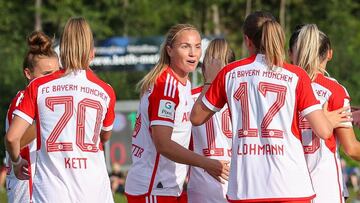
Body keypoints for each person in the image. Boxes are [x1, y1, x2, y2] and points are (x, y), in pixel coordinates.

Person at [191, 11, 351, 203]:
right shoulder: (296, 75)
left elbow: (196, 117)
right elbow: (324, 131)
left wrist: (210, 80)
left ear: (247, 40)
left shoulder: (229, 73)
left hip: (246, 186)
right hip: (291, 186)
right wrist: (329, 120)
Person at [5, 17, 116, 203]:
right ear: (92, 53)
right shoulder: (105, 91)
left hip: (52, 191)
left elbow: (11, 138)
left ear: (62, 51)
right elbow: (104, 137)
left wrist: (16, 163)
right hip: (94, 190)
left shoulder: (38, 86)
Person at [125, 24, 229, 203]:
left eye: (197, 47)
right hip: (153, 187)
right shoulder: (166, 86)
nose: (193, 53)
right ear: (170, 50)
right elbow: (163, 144)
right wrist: (207, 163)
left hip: (169, 186)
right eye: (185, 46)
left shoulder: (183, 83)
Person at [290, 24, 360, 203]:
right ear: (329, 53)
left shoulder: (282, 87)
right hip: (324, 188)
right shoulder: (333, 90)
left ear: (291, 53)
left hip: (286, 187)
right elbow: (351, 149)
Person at [4, 31, 60, 203]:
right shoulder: (22, 98)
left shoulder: (54, 99)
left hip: (48, 186)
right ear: (28, 74)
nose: (53, 80)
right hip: (27, 186)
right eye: (47, 74)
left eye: (57, 74)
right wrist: (47, 118)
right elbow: (15, 141)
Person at [187, 38, 235, 203]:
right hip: (237, 183)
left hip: (201, 185)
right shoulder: (242, 97)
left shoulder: (189, 97)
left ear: (205, 67)